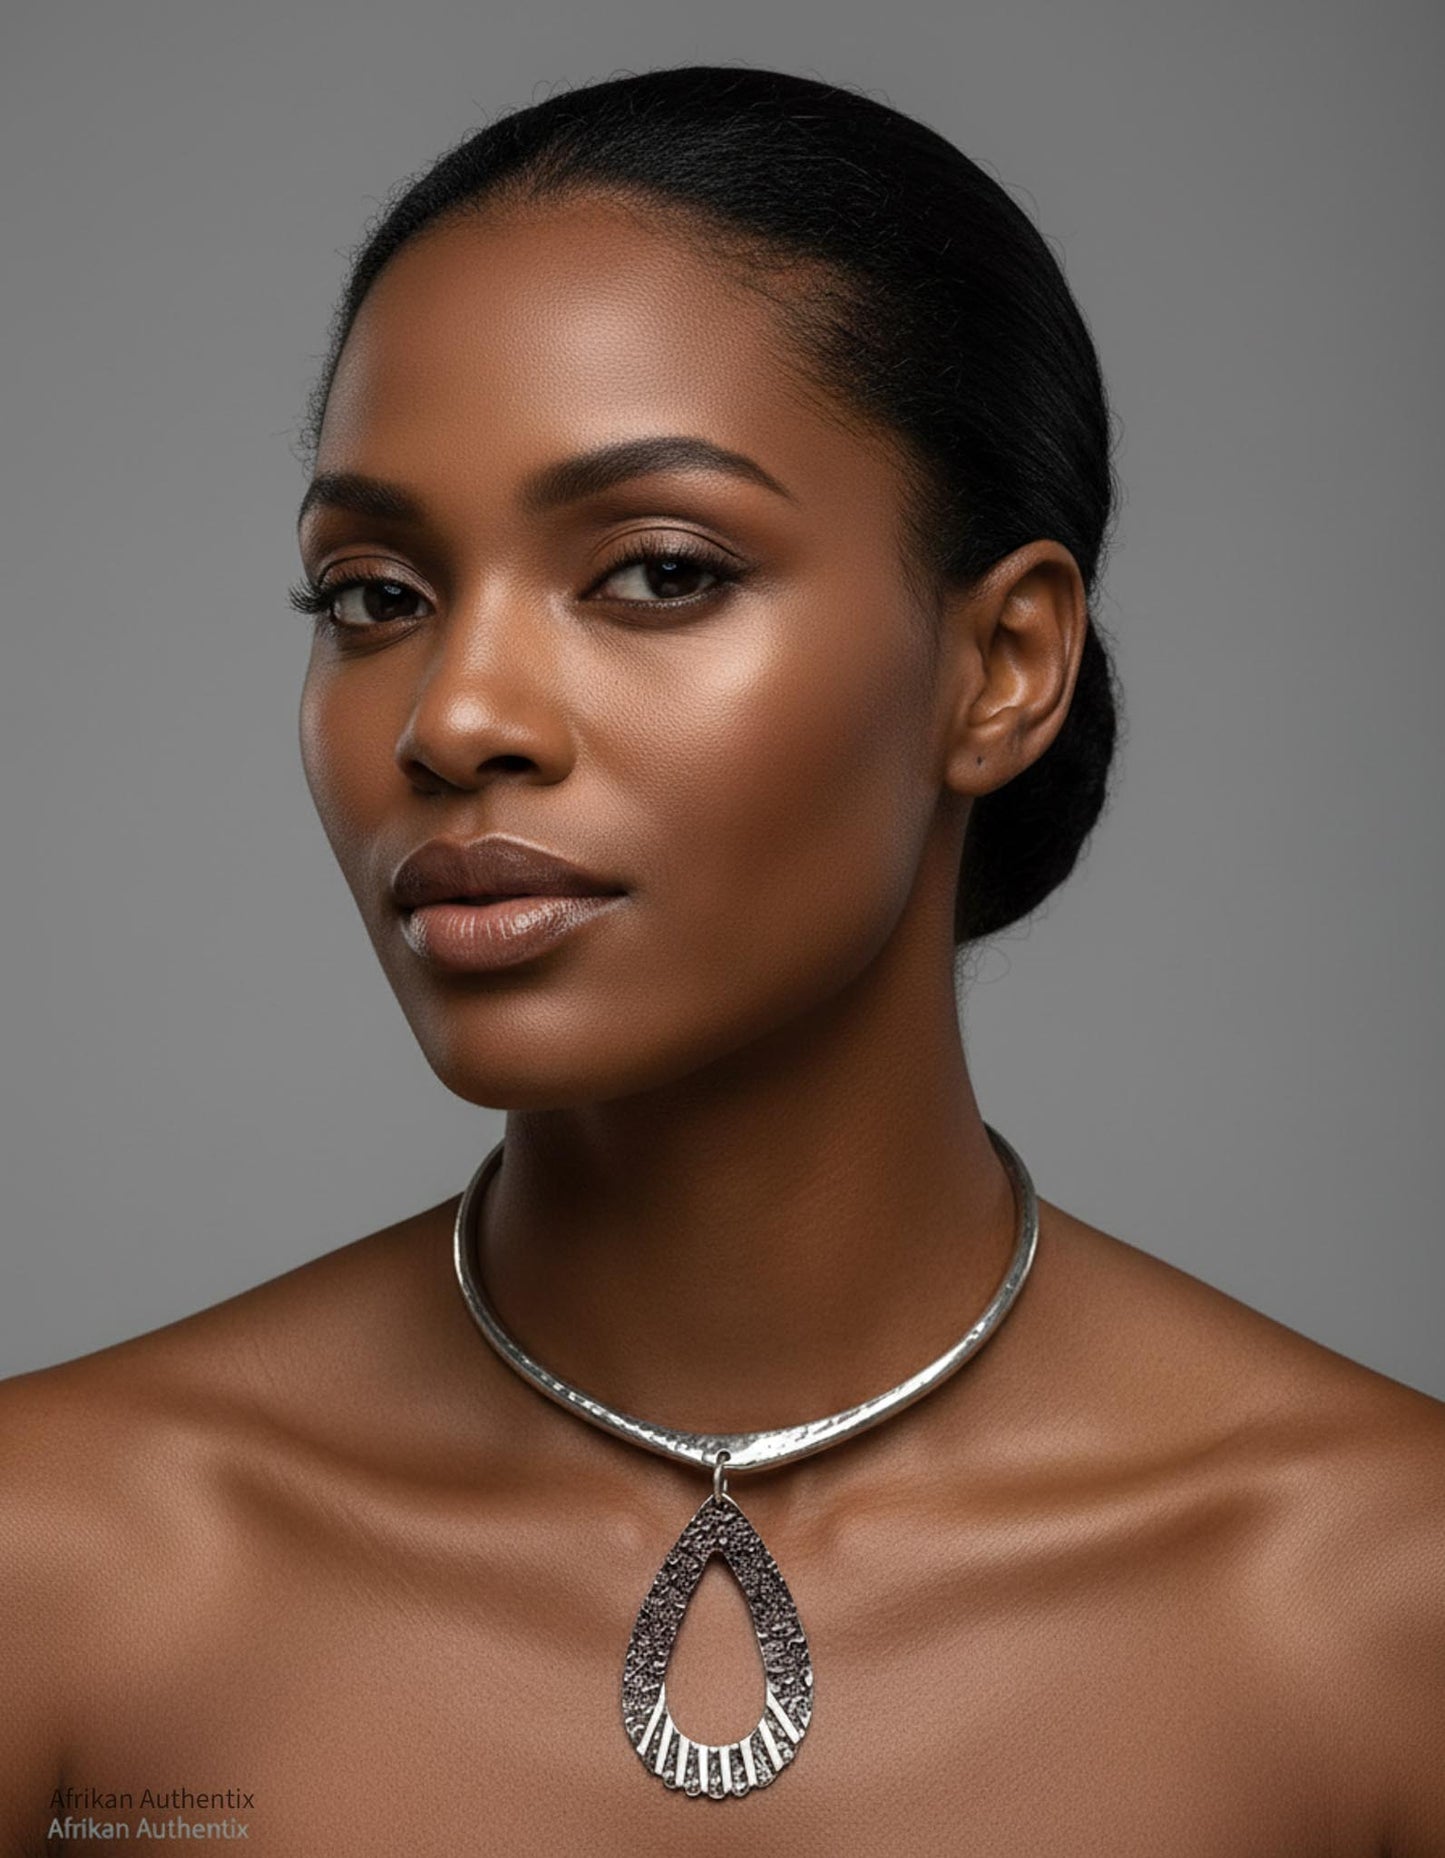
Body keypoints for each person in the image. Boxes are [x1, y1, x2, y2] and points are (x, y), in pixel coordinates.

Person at [3, 63, 1441, 1857]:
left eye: (660, 571)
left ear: (1000, 665)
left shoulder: (1379, 1608)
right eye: (375, 595)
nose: (451, 717)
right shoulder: (61, 1569)